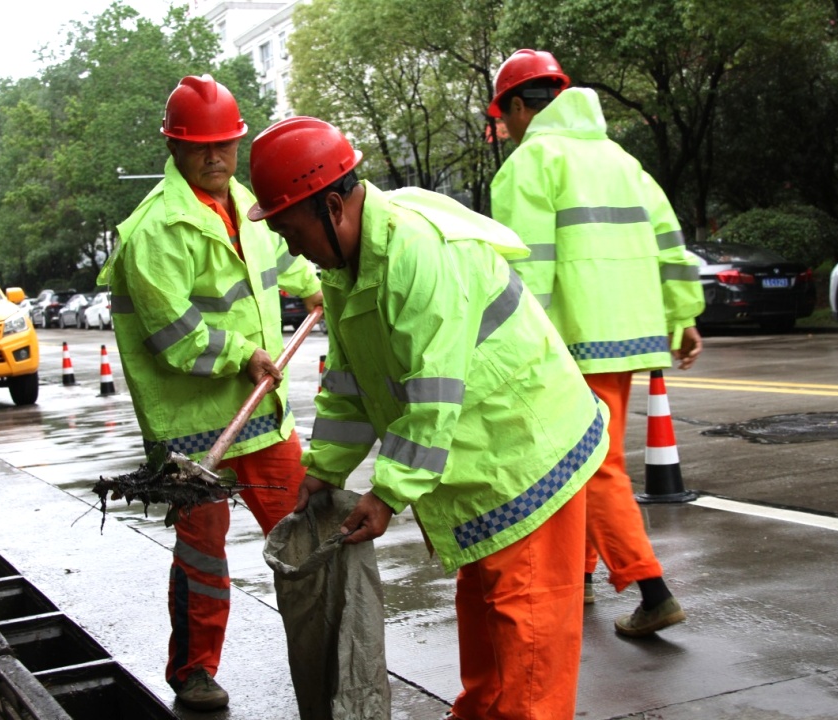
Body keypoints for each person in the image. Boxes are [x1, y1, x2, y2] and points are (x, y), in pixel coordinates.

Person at [247, 115, 610, 719]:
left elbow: (432, 392)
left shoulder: (416, 252)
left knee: (527, 643)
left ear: (333, 207)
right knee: (487, 621)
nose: (290, 247)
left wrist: (387, 494)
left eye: (289, 229)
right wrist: (324, 470)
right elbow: (350, 382)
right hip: (481, 459)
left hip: (524, 455)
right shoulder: (346, 266)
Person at [96, 75, 323, 711]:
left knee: (303, 535)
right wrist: (241, 354)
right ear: (173, 148)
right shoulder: (155, 231)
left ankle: (326, 645)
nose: (215, 156)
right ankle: (193, 671)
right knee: (202, 555)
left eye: (225, 142)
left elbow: (278, 262)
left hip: (261, 419)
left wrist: (313, 282)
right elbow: (174, 333)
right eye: (201, 146)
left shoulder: (246, 204)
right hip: (195, 430)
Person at [488, 49, 706, 637]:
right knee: (589, 459)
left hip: (575, 341)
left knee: (592, 465)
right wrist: (683, 316)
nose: (505, 131)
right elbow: (670, 241)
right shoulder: (621, 160)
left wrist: (514, 346)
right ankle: (582, 577)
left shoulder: (530, 163)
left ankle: (652, 589)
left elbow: (524, 268)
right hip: (631, 336)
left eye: (504, 118)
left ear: (516, 107)